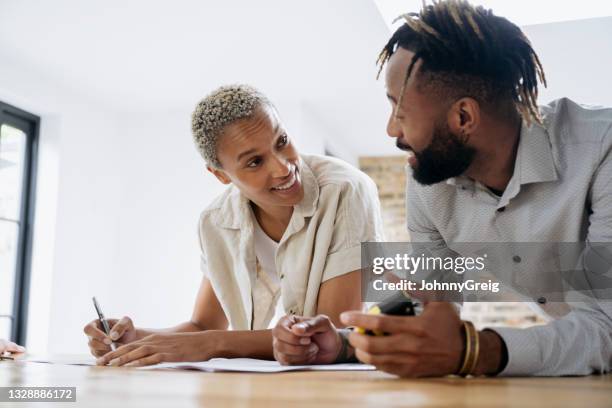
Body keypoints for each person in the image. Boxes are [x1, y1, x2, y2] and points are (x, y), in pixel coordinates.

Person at [272, 0, 612, 377]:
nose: (391, 131)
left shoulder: (602, 151)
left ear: (463, 117)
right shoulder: (431, 185)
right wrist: (347, 343)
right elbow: (434, 305)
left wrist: (476, 351)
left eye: (400, 113)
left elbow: (606, 324)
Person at [85, 84, 384, 367]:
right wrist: (134, 339)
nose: (283, 168)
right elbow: (203, 325)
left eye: (281, 141)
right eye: (255, 162)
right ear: (221, 175)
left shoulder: (345, 190)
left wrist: (212, 344)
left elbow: (327, 334)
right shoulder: (215, 221)